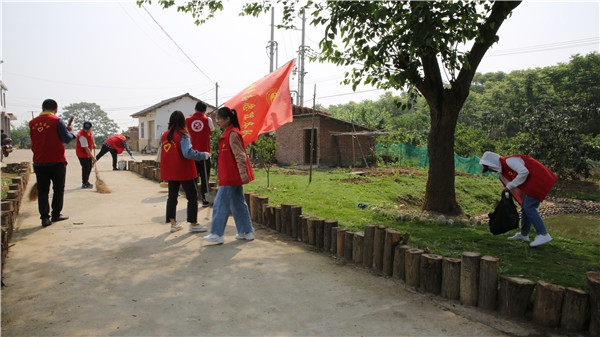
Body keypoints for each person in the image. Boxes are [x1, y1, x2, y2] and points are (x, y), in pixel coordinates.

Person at [480, 151, 558, 247]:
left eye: (488, 167)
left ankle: (543, 234)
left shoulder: (509, 161)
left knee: (529, 207)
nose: (490, 170)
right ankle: (524, 234)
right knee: (525, 207)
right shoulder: (503, 170)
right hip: (531, 183)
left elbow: (524, 172)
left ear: (492, 163)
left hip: (538, 180)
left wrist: (510, 186)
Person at [203, 107, 255, 244]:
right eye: (216, 118)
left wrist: (243, 173)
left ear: (227, 119)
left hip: (232, 176)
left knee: (220, 204)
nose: (217, 121)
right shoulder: (228, 133)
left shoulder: (232, 134)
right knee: (238, 203)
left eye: (219, 119)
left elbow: (240, 155)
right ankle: (246, 231)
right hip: (230, 175)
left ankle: (216, 233)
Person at [160, 110, 211, 233]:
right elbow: (187, 153)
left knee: (172, 197)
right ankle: (193, 224)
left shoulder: (165, 135)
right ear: (183, 122)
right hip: (184, 170)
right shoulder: (183, 135)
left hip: (171, 171)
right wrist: (203, 155)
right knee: (192, 197)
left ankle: (173, 224)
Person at [29, 99, 76, 227]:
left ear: (42, 108)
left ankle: (44, 217)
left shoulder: (32, 123)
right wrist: (71, 132)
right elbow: (66, 138)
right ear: (56, 109)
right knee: (58, 189)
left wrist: (64, 131)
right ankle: (56, 214)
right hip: (56, 161)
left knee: (43, 190)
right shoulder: (57, 120)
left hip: (39, 161)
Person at [186, 101, 214, 207]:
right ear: (205, 110)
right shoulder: (208, 120)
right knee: (205, 178)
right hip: (205, 154)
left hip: (191, 154)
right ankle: (205, 200)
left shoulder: (187, 120)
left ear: (195, 109)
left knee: (193, 177)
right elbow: (211, 131)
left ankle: (192, 199)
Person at [76, 121, 97, 189]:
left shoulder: (90, 131)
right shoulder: (81, 136)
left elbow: (91, 136)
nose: (86, 130)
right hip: (81, 153)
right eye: (85, 129)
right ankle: (84, 183)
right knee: (85, 168)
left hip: (87, 152)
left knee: (89, 166)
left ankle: (86, 181)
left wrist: (93, 144)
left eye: (88, 129)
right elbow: (86, 148)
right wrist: (93, 157)